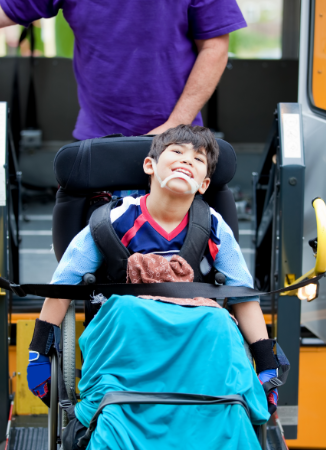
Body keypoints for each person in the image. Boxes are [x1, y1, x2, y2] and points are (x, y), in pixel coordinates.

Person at [27, 125, 279, 448]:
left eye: (198, 158)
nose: (186, 160)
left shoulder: (214, 227)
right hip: (128, 347)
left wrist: (266, 362)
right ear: (150, 165)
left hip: (198, 346)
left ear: (204, 184)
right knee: (127, 310)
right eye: (176, 152)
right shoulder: (110, 221)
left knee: (218, 322)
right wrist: (38, 351)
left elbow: (244, 297)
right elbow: (63, 285)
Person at [0, 1, 246, 139]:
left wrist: (176, 124)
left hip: (177, 142)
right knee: (85, 229)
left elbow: (214, 47)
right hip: (97, 139)